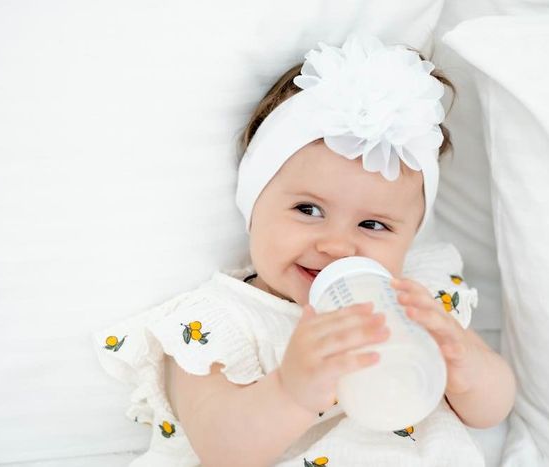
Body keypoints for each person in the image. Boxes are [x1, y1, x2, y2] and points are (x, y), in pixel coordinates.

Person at [94, 35, 515, 467]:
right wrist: (290, 391)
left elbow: (489, 412)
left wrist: (465, 361)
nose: (336, 245)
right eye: (308, 209)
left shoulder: (418, 301)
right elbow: (220, 449)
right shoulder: (220, 323)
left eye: (373, 225)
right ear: (253, 206)